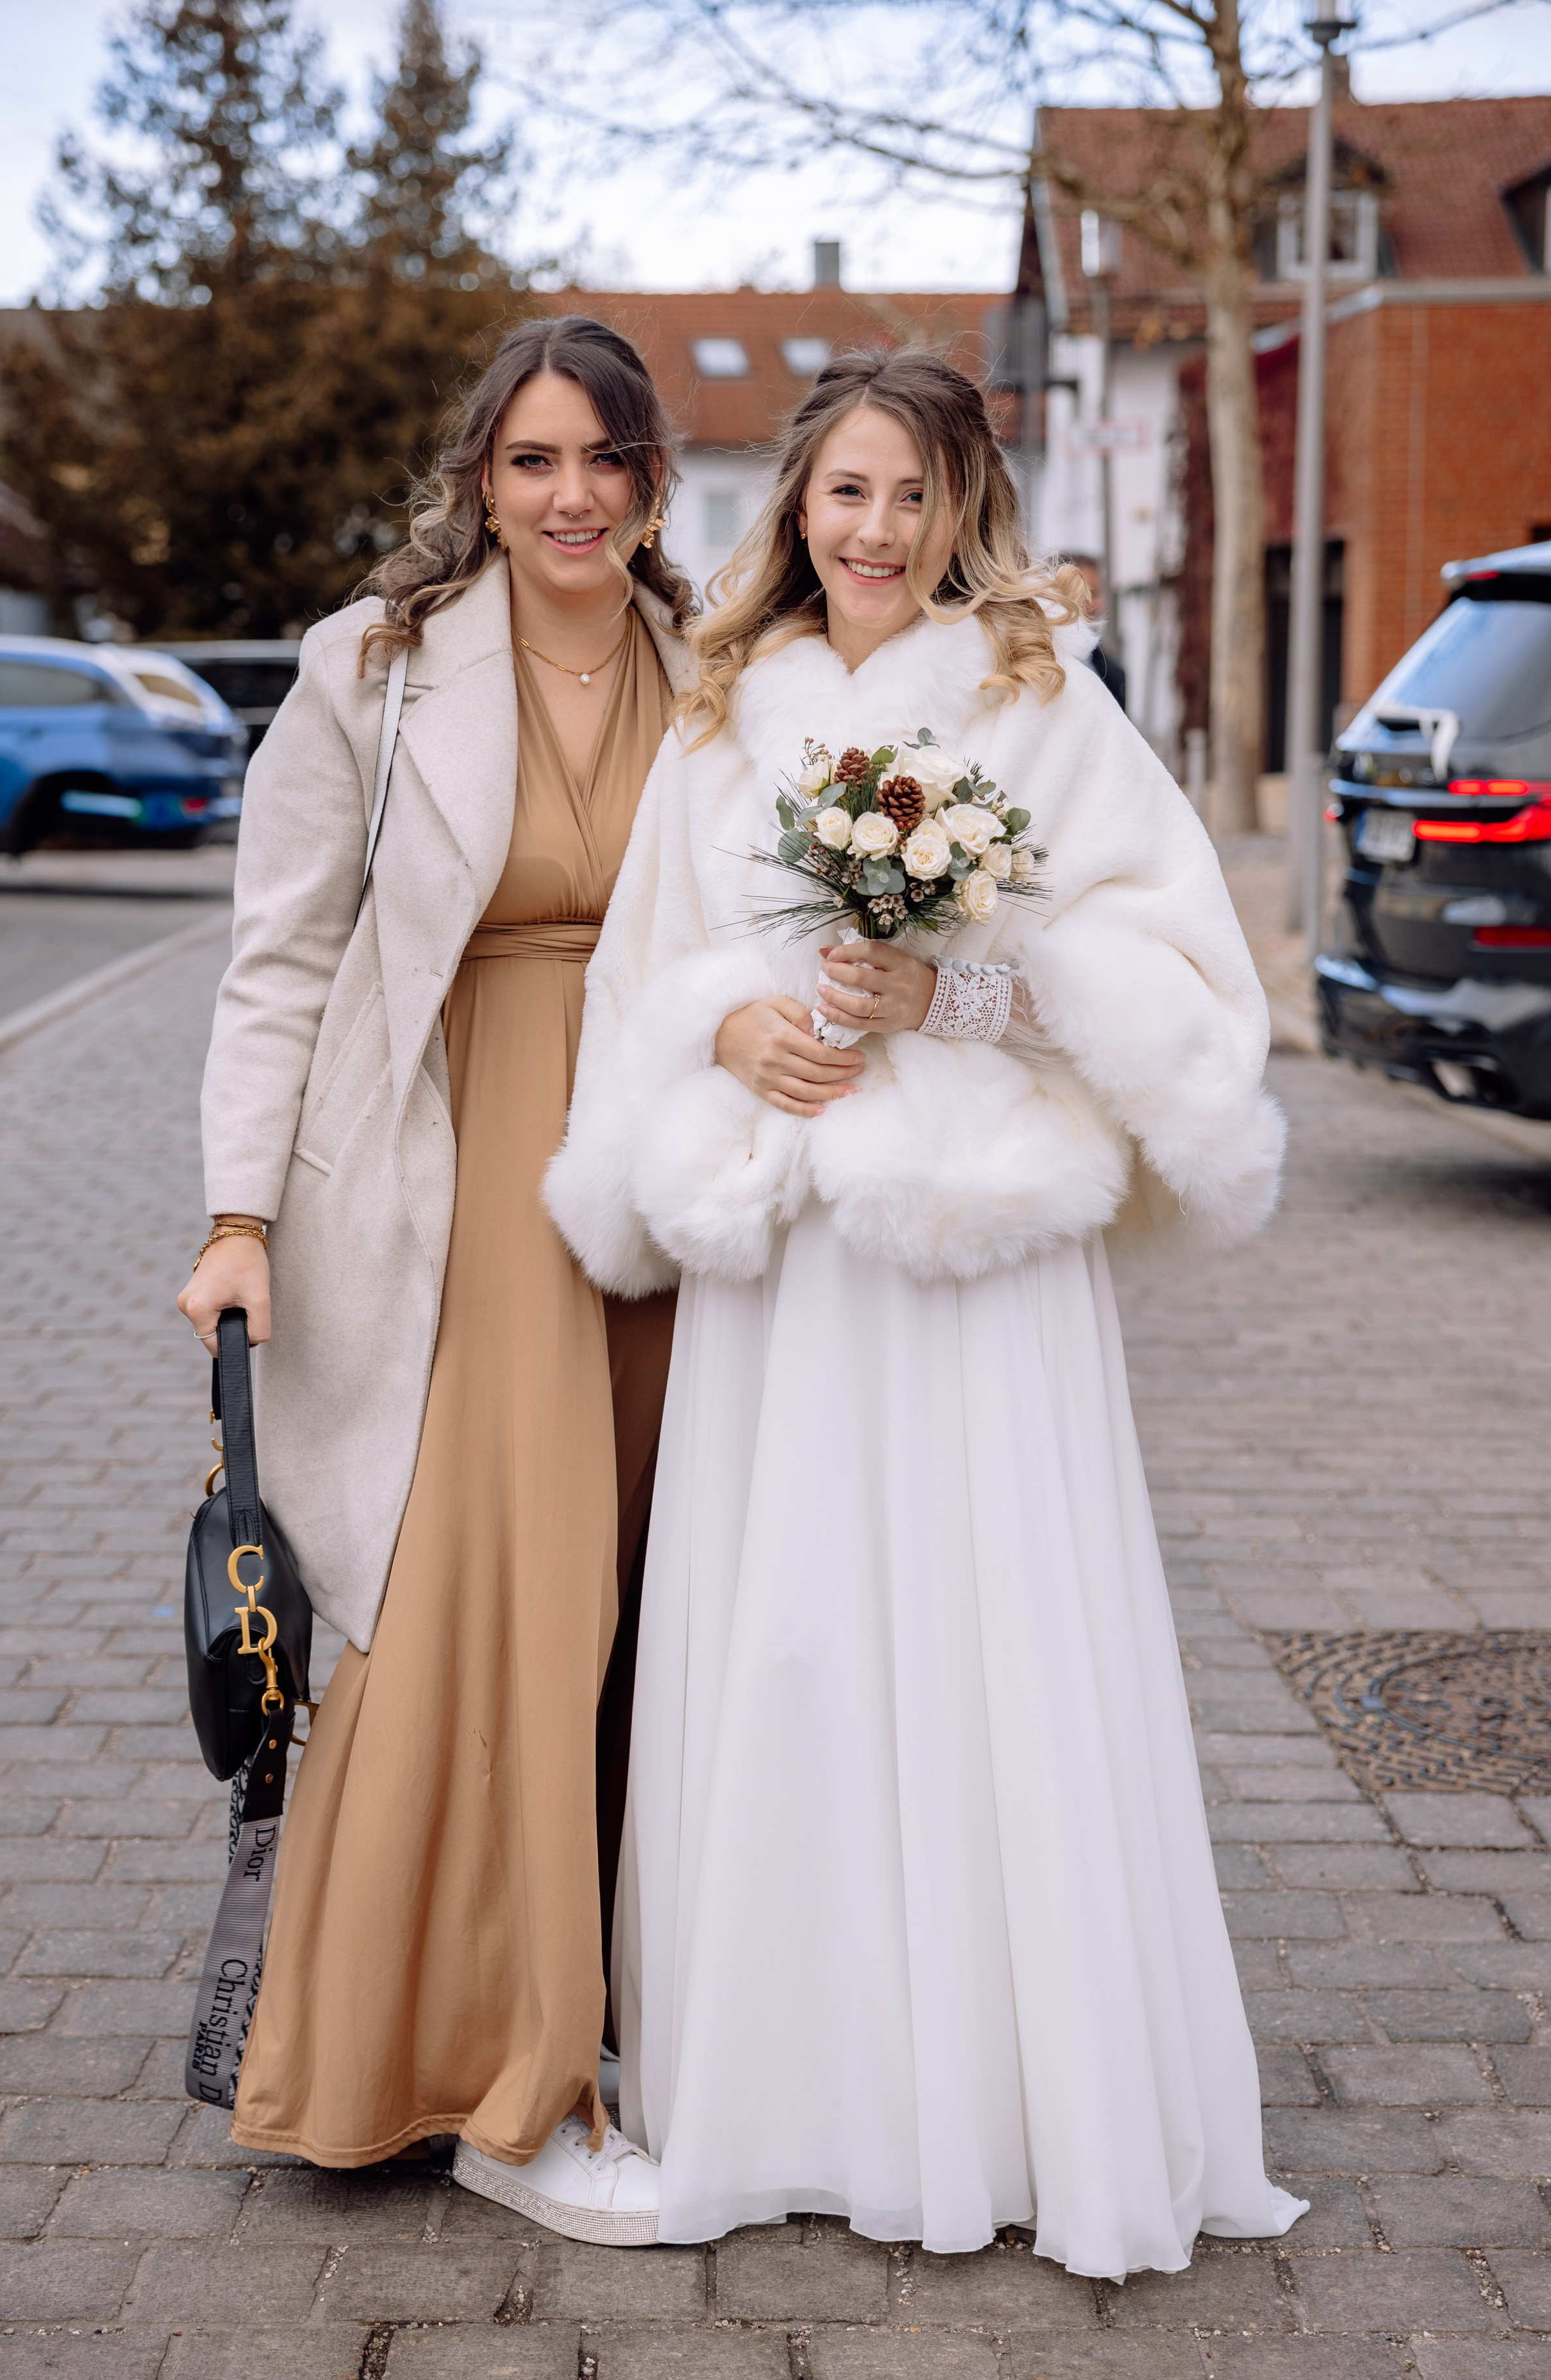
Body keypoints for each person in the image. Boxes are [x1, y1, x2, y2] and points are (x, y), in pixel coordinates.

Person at [547, 348, 1308, 2275]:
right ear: (793, 507)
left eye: (908, 495)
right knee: (788, 1635)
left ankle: (1004, 2097)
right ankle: (789, 2086)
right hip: (784, 1251)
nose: (872, 531)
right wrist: (724, 1023)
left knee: (988, 1636)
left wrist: (956, 993)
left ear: (962, 507)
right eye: (841, 493)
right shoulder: (724, 710)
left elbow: (1182, 985)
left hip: (976, 1259)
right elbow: (638, 969)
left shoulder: (1043, 700)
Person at [177, 316, 695, 2244]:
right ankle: (503, 2080)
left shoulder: (702, 662)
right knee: (500, 1600)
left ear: (651, 479)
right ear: (479, 475)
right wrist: (239, 1210)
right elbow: (280, 959)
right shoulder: (371, 673)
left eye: (608, 459)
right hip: (459, 1173)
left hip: (671, 1172)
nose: (572, 497)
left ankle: (644, 2014)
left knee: (662, 1599)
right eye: (534, 460)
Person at [1061, 549, 1127, 709]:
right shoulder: (1035, 672)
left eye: (1098, 594)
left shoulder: (1113, 674)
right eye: (1088, 595)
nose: (1099, 604)